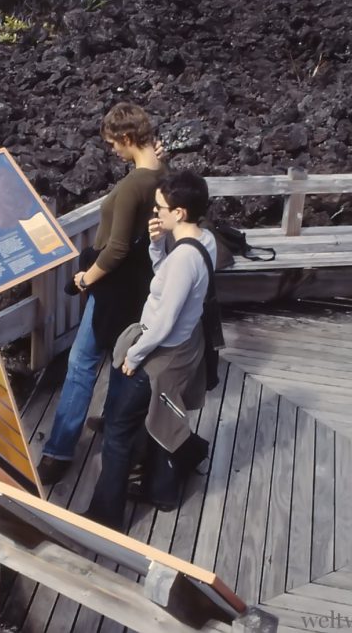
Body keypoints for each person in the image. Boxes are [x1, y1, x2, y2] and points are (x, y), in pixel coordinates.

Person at [36, 102, 166, 485]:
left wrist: (84, 279)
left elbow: (117, 249)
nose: (112, 151)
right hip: (141, 284)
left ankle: (58, 452)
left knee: (81, 365)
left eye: (114, 144)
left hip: (112, 286)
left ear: (128, 138)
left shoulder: (131, 187)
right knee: (123, 359)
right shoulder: (161, 175)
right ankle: (112, 423)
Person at [82, 170, 217, 531]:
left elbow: (165, 319)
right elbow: (167, 282)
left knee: (118, 433)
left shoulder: (184, 260)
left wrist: (134, 356)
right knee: (157, 420)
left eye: (161, 208)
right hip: (184, 350)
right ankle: (167, 481)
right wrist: (157, 245)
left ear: (181, 213)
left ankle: (105, 515)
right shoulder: (204, 242)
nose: (156, 214)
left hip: (157, 354)